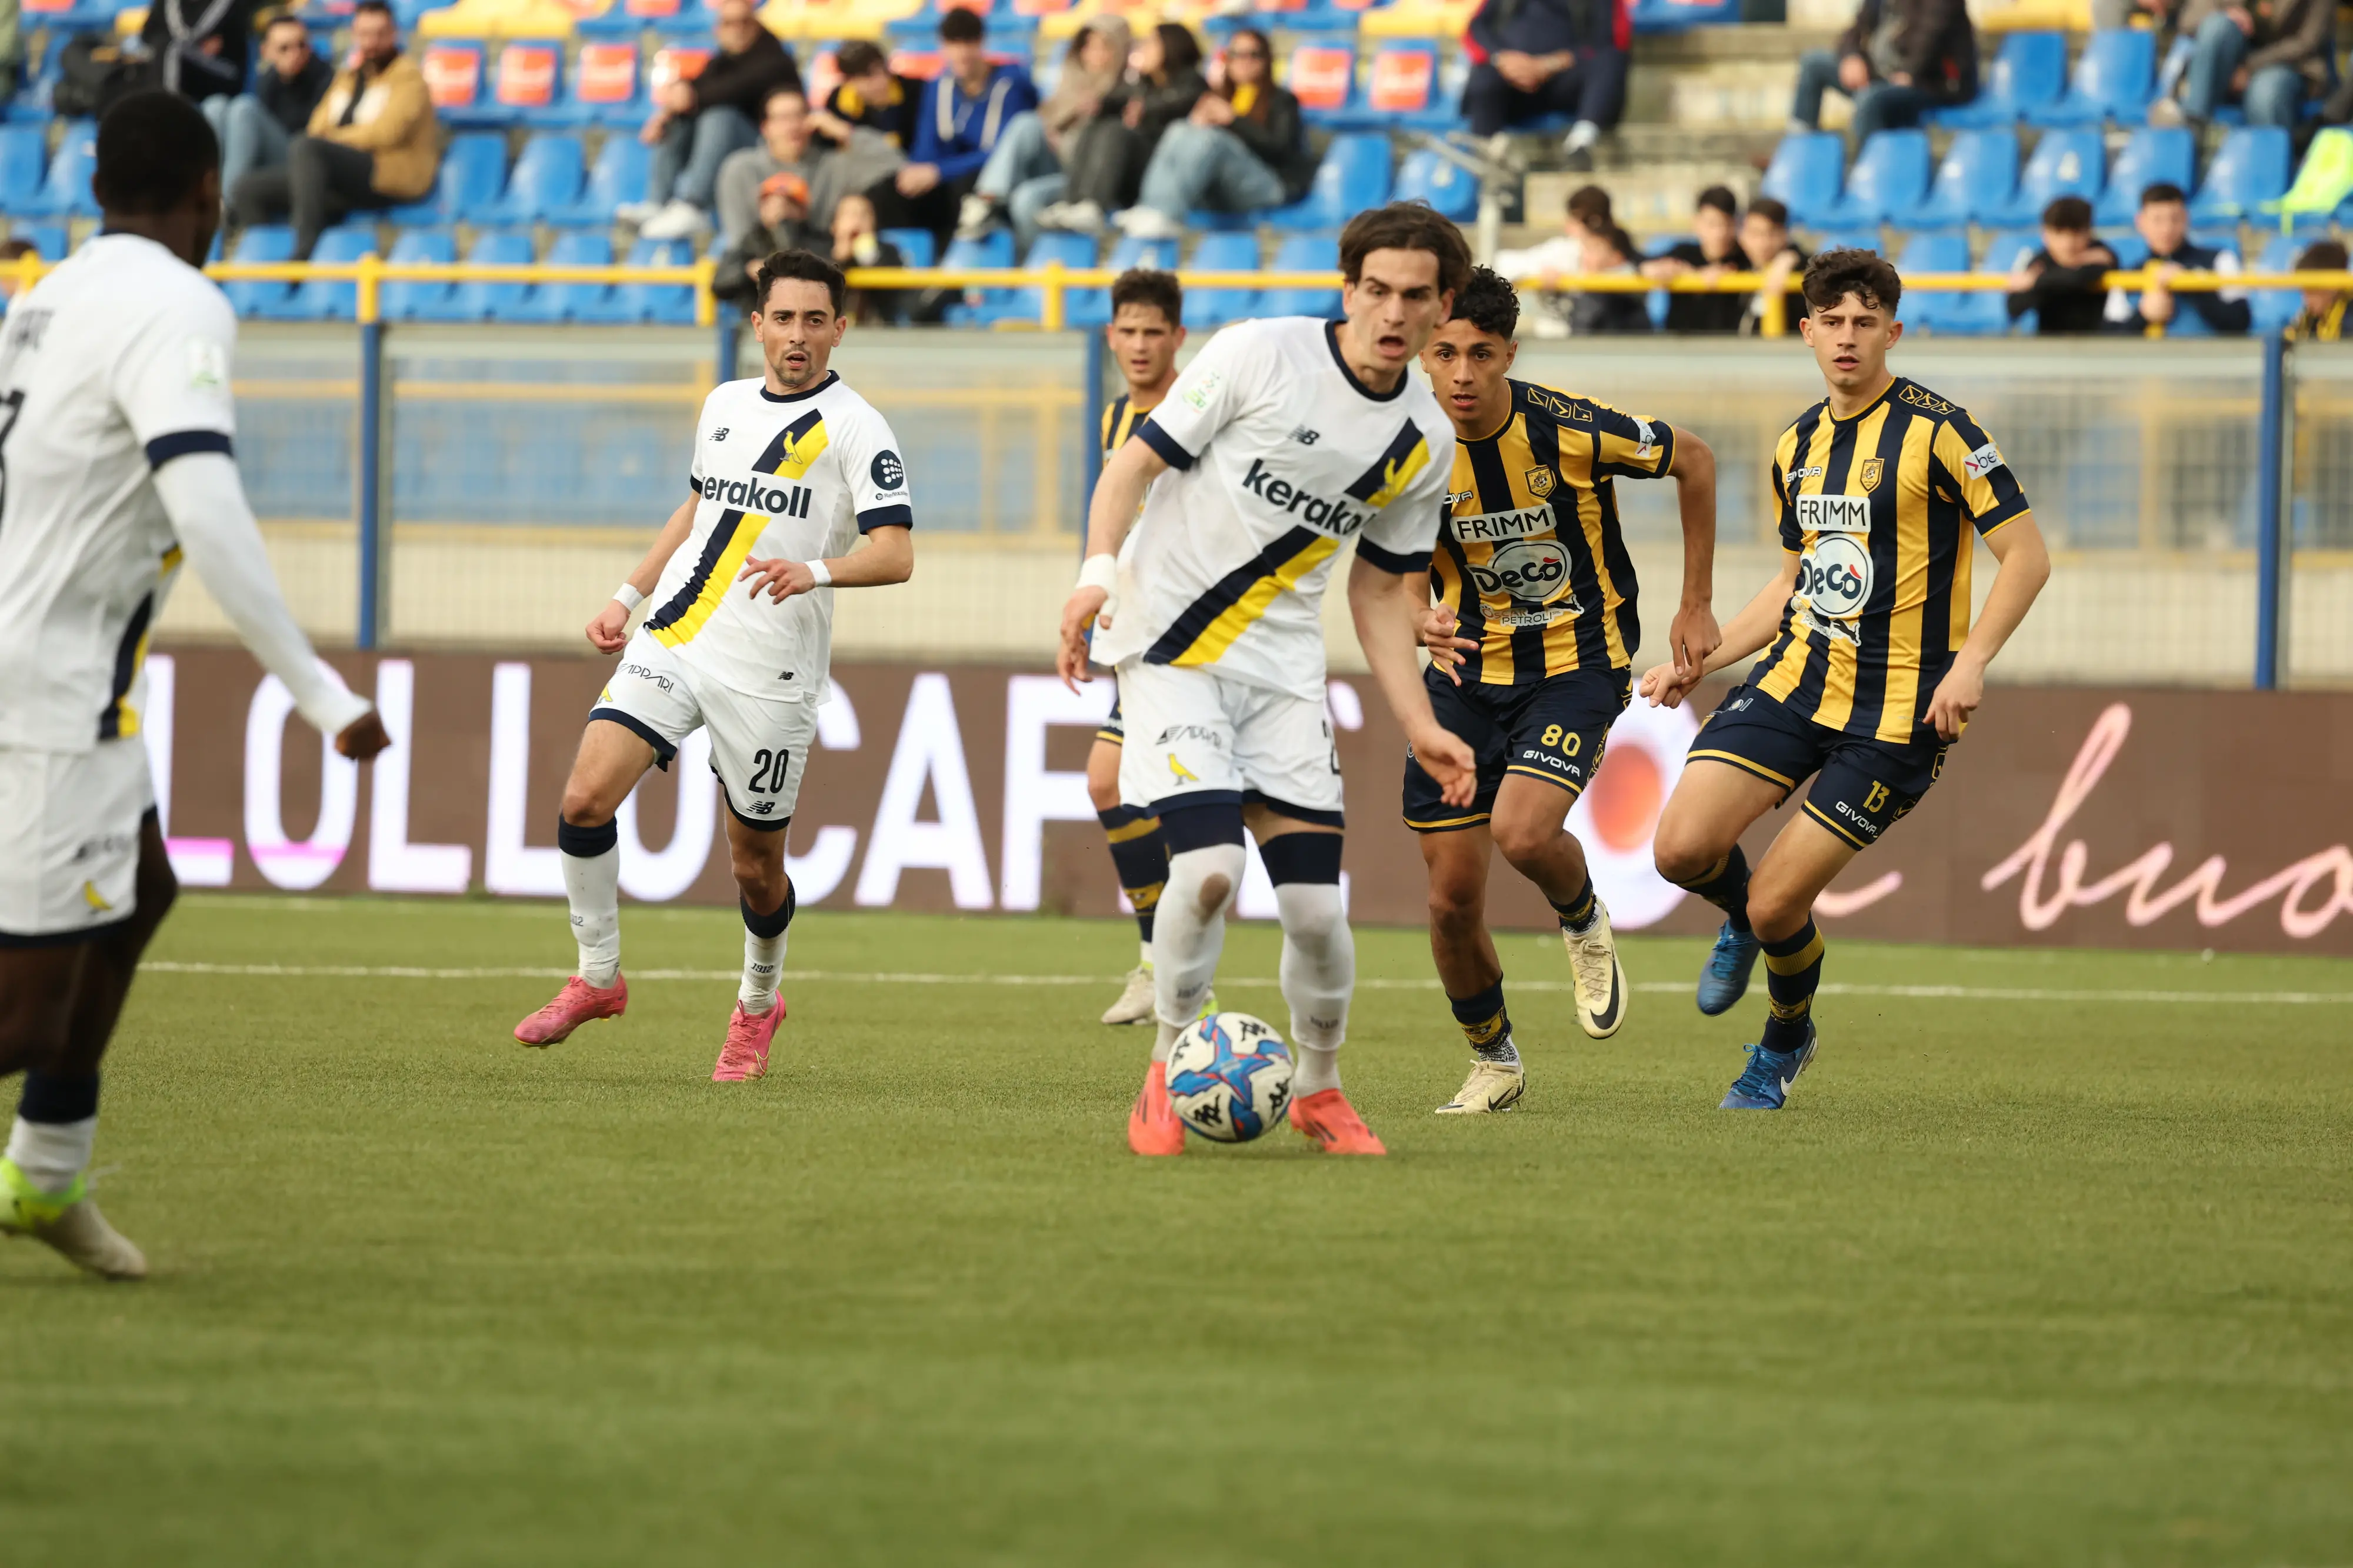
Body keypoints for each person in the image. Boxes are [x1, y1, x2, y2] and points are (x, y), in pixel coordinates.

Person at [0, 92, 389, 1278]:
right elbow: (204, 504)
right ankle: (46, 1159)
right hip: (48, 688)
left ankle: (47, 1175)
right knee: (20, 1012)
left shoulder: (48, 294)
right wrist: (319, 691)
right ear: (212, 191)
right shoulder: (180, 303)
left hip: (65, 678)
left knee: (145, 888)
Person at [1055, 202, 1478, 1159]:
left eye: (1416, 296)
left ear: (1443, 305)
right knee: (1207, 873)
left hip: (1283, 680)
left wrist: (1418, 722)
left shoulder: (1425, 437)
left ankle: (1320, 1092)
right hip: (1170, 650)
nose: (1393, 313)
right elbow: (1129, 469)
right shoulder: (1259, 355)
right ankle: (1165, 1073)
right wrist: (1094, 576)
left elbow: (1378, 592)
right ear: (1348, 289)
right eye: (1375, 291)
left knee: (1317, 913)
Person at [1642, 250, 2050, 1111]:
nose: (1848, 338)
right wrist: (1698, 663)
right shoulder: (1798, 441)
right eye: (1832, 322)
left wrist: (1970, 662)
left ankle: (1785, 1037)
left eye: (1866, 322)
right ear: (1807, 332)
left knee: (1779, 902)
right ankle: (1739, 919)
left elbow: (2027, 556)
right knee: (1681, 849)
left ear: (1893, 332)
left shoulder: (1944, 430)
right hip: (1795, 681)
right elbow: (1794, 579)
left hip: (1900, 712)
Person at [513, 249, 915, 1083]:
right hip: (677, 637)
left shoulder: (856, 427)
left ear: (842, 328)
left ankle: (759, 1004)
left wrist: (818, 569)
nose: (797, 336)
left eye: (815, 320)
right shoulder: (725, 404)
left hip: (770, 676)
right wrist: (628, 594)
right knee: (584, 798)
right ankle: (597, 977)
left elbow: (897, 552)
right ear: (756, 322)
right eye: (783, 318)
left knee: (754, 868)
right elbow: (701, 506)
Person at [1411, 268, 1720, 1115]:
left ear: (1510, 353)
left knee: (1520, 830)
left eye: (1481, 353)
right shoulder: (1402, 449)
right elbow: (1388, 568)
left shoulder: (1569, 429)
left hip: (1575, 666)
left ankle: (1582, 915)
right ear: (1422, 355)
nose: (1464, 373)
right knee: (1449, 901)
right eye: (1446, 353)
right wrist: (1418, 616)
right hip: (1465, 677)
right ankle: (1495, 1060)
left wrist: (1694, 601)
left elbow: (1693, 457)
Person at [1083, 268, 1187, 1026]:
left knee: (1141, 790)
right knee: (1109, 784)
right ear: (1111, 336)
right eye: (1130, 330)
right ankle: (1162, 965)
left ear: (1178, 337)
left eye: (1157, 331)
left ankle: (1174, 966)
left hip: (1199, 633)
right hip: (1138, 632)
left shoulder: (1198, 409)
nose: (1142, 344)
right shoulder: (1116, 416)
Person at [227, 0, 437, 260]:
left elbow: (385, 133)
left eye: (380, 34)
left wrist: (333, 140)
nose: (372, 42)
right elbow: (318, 123)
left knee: (308, 147)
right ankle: (264, 260)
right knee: (247, 189)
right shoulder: (349, 76)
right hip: (342, 176)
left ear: (394, 34)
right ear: (355, 36)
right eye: (365, 34)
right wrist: (328, 140)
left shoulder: (409, 78)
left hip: (385, 175)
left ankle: (305, 250)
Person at [865, 7, 1037, 251]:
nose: (962, 53)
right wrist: (916, 172)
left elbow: (1004, 152)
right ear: (943, 46)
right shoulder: (939, 86)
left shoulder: (1010, 85)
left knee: (964, 184)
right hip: (949, 178)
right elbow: (926, 147)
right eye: (954, 44)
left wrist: (938, 171)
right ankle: (900, 261)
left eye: (969, 43)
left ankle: (959, 260)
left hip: (994, 180)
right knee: (891, 190)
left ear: (981, 43)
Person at [1119, 26, 1312, 241]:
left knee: (1211, 139)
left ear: (1267, 60)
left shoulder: (1283, 101)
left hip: (1269, 186)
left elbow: (1280, 150)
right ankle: (1151, 208)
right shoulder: (1219, 97)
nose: (1244, 61)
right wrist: (1199, 122)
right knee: (1180, 128)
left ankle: (1166, 214)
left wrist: (1233, 121)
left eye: (1254, 54)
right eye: (1236, 55)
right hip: (1221, 189)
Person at [955, 15, 1131, 251]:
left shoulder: (1126, 93)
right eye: (1089, 46)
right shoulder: (1067, 85)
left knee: (1026, 199)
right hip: (1055, 166)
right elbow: (1043, 121)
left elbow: (1113, 150)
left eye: (1104, 47)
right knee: (1026, 123)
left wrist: (1068, 138)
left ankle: (1040, 263)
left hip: (1086, 180)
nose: (1094, 55)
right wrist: (1053, 131)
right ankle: (986, 200)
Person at [630, 0, 801, 241]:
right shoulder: (725, 60)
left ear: (757, 24)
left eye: (745, 22)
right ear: (718, 29)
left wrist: (686, 95)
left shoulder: (774, 59)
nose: (738, 29)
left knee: (720, 117)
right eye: (730, 23)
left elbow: (731, 90)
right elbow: (699, 88)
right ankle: (658, 201)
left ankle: (694, 204)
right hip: (739, 148)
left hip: (771, 152)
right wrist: (669, 111)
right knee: (680, 120)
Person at [1037, 22, 1206, 236]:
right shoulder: (1144, 83)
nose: (1142, 50)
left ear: (1171, 47)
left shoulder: (1192, 81)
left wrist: (1146, 111)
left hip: (1161, 174)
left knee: (1115, 131)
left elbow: (1176, 107)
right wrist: (1100, 106)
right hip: (1136, 168)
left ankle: (1093, 206)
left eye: (1151, 44)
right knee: (1096, 125)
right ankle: (1074, 202)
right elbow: (1117, 100)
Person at [1461, 0, 1631, 171]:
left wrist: (1550, 64)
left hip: (1566, 79)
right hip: (1510, 77)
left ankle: (1581, 144)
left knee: (1610, 60)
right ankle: (1487, 154)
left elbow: (1608, 39)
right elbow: (1476, 28)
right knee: (1483, 78)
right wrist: (1502, 58)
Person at [1790, 0, 1979, 141]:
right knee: (1813, 63)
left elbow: (1931, 36)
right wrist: (1851, 57)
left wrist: (1910, 72)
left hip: (1931, 83)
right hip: (1883, 77)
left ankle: (1873, 173)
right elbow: (1854, 30)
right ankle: (1799, 153)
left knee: (1870, 100)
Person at [199, 14, 330, 199]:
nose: (296, 54)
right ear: (266, 52)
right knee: (215, 105)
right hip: (268, 157)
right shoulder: (268, 79)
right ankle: (207, 197)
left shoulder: (324, 77)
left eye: (302, 45)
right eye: (284, 49)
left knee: (245, 109)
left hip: (301, 157)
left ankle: (229, 203)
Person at [2151, 0, 2330, 131]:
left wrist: (2250, 67)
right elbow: (2188, 19)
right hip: (2231, 61)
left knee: (2266, 91)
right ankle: (2192, 126)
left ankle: (2269, 166)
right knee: (2217, 26)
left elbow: (2307, 43)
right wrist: (2227, 14)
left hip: (2288, 65)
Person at [2105, 182, 2250, 334]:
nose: (2167, 229)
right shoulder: (2127, 276)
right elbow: (2108, 340)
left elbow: (2240, 323)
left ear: (2186, 219)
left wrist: (2192, 285)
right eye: (2158, 220)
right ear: (2141, 222)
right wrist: (2143, 316)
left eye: (2175, 219)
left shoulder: (2221, 260)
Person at [714, 86, 825, 256]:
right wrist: (768, 226)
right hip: (756, 266)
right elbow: (738, 241)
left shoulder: (833, 166)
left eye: (800, 116)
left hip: (819, 265)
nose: (793, 126)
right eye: (783, 118)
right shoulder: (740, 169)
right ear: (765, 127)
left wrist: (847, 135)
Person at [1495, 184, 1615, 337]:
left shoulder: (1622, 253)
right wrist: (1539, 273)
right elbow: (1499, 263)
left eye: (1574, 220)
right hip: (1557, 346)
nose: (1567, 227)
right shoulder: (1563, 252)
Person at [2005, 195, 2118, 335]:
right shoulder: (2042, 261)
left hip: (2097, 347)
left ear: (2089, 232)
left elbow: (2078, 278)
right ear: (2045, 234)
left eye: (2076, 234)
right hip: (2050, 347)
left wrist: (2036, 281)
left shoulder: (2102, 253)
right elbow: (2014, 307)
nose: (2068, 244)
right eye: (2059, 233)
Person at [1642, 185, 1748, 334]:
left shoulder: (1745, 259)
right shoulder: (1683, 254)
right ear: (1697, 222)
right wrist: (1661, 270)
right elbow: (1640, 262)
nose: (1720, 233)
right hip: (1681, 348)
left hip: (1732, 349)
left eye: (1727, 224)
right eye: (1712, 224)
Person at [141, 0, 268, 104]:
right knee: (162, 49)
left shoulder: (232, 5)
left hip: (224, 74)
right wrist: (194, 45)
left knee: (171, 48)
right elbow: (148, 36)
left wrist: (223, 41)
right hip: (185, 72)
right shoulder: (167, 4)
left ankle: (167, 109)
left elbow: (236, 39)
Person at [811, 41, 916, 152]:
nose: (881, 81)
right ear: (849, 81)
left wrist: (847, 134)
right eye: (868, 76)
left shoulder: (913, 91)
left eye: (884, 70)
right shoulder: (838, 102)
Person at [828, 191, 906, 325]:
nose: (857, 220)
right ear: (835, 225)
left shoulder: (889, 252)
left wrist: (867, 256)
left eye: (864, 215)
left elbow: (892, 298)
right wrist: (840, 259)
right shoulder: (818, 254)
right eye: (850, 214)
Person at [1737, 196, 1809, 334]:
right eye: (1755, 233)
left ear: (1785, 235)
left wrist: (1793, 257)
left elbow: (1816, 264)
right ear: (1742, 235)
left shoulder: (1798, 268)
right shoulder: (1736, 263)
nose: (1763, 243)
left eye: (1772, 233)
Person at [1569, 222, 1650, 335]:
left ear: (1617, 257)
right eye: (1586, 249)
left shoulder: (1627, 285)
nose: (1586, 257)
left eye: (1594, 249)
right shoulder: (1581, 279)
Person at [2287, 238, 2349, 339]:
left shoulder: (2349, 319)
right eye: (2303, 292)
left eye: (2311, 291)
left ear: (2332, 286)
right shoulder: (2309, 318)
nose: (2306, 300)